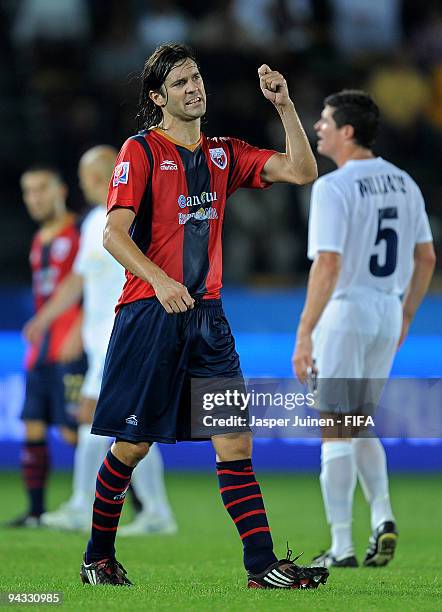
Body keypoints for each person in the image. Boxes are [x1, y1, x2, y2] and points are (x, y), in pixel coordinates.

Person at [79, 42, 329, 589]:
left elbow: (302, 170)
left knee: (235, 440)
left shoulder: (224, 153)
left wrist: (284, 107)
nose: (194, 89)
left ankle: (261, 567)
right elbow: (112, 233)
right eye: (180, 83)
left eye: (197, 79)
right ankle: (98, 557)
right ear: (158, 96)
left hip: (208, 319)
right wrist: (161, 280)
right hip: (151, 314)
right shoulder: (140, 151)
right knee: (132, 445)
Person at [293, 90, 435, 568]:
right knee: (357, 421)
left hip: (347, 311)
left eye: (326, 120)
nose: (318, 126)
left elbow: (328, 264)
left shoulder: (333, 187)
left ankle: (341, 546)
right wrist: (408, 314)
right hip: (387, 311)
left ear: (347, 132)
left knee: (334, 429)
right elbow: (426, 257)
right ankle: (383, 516)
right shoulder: (404, 182)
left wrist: (305, 331)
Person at [24, 146, 176, 535]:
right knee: (114, 425)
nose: (80, 182)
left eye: (84, 175)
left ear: (97, 177)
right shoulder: (96, 220)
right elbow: (80, 279)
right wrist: (46, 319)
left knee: (107, 422)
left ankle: (101, 507)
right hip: (103, 341)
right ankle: (149, 511)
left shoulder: (128, 217)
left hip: (123, 336)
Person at [7, 166, 86, 527]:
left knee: (76, 432)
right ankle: (36, 512)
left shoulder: (81, 231)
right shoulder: (40, 239)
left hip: (71, 346)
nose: (34, 198)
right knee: (33, 426)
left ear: (61, 191)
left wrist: (80, 329)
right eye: (28, 191)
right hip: (40, 349)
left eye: (41, 189)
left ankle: (134, 503)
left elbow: (93, 284)